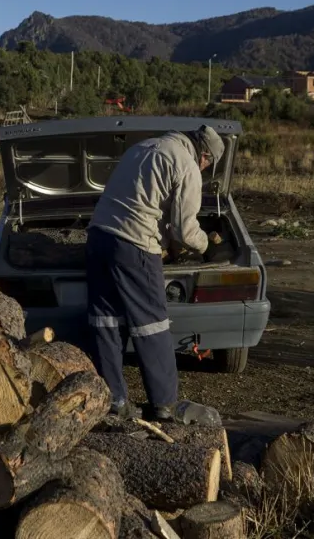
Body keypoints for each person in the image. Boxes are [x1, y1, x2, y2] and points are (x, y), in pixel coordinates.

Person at [85, 124, 225, 422]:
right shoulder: (186, 165)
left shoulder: (143, 148)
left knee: (107, 321)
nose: (204, 168)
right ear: (204, 155)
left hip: (98, 237)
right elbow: (185, 229)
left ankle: (113, 402)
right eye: (208, 164)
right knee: (152, 325)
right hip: (134, 245)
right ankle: (165, 404)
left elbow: (146, 202)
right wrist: (206, 248)